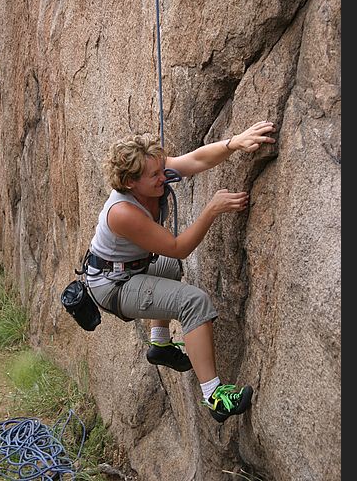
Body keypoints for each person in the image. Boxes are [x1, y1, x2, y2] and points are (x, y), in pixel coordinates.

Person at [87, 121, 276, 422]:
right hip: (113, 285)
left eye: (162, 169)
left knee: (169, 269)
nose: (164, 177)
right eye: (155, 176)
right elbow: (177, 247)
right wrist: (211, 210)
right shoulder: (123, 212)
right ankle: (215, 397)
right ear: (130, 182)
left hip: (132, 269)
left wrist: (235, 142)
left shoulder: (153, 175)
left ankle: (160, 344)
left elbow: (198, 160)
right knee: (193, 302)